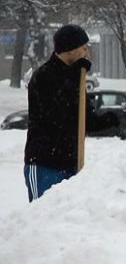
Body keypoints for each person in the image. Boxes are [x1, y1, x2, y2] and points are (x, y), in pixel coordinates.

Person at [24, 24, 116, 201]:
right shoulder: (43, 76)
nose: (87, 53)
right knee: (41, 219)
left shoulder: (76, 78)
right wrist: (74, 76)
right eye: (83, 48)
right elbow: (57, 115)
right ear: (70, 48)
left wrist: (110, 120)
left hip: (71, 166)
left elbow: (85, 121)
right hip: (44, 164)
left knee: (67, 224)